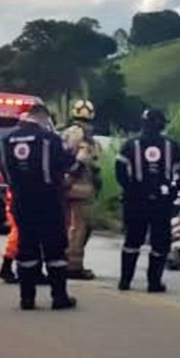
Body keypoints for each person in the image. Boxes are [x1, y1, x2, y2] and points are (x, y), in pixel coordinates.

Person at [0, 101, 77, 311]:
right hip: (48, 200)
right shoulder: (50, 139)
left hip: (21, 201)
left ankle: (27, 299)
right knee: (55, 250)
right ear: (44, 118)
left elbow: (4, 171)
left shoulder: (7, 140)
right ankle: (59, 297)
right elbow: (69, 164)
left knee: (26, 249)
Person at [114, 107, 180, 292]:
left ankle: (125, 281)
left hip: (135, 201)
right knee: (160, 243)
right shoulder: (172, 145)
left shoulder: (130, 144)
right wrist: (174, 189)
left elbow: (120, 170)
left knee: (132, 241)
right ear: (162, 125)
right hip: (161, 201)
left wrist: (131, 189)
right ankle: (154, 283)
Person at [60, 99, 102, 280]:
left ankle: (66, 260)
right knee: (80, 228)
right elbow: (82, 160)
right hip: (80, 188)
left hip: (68, 187)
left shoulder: (65, 132)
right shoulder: (83, 135)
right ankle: (73, 266)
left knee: (72, 226)